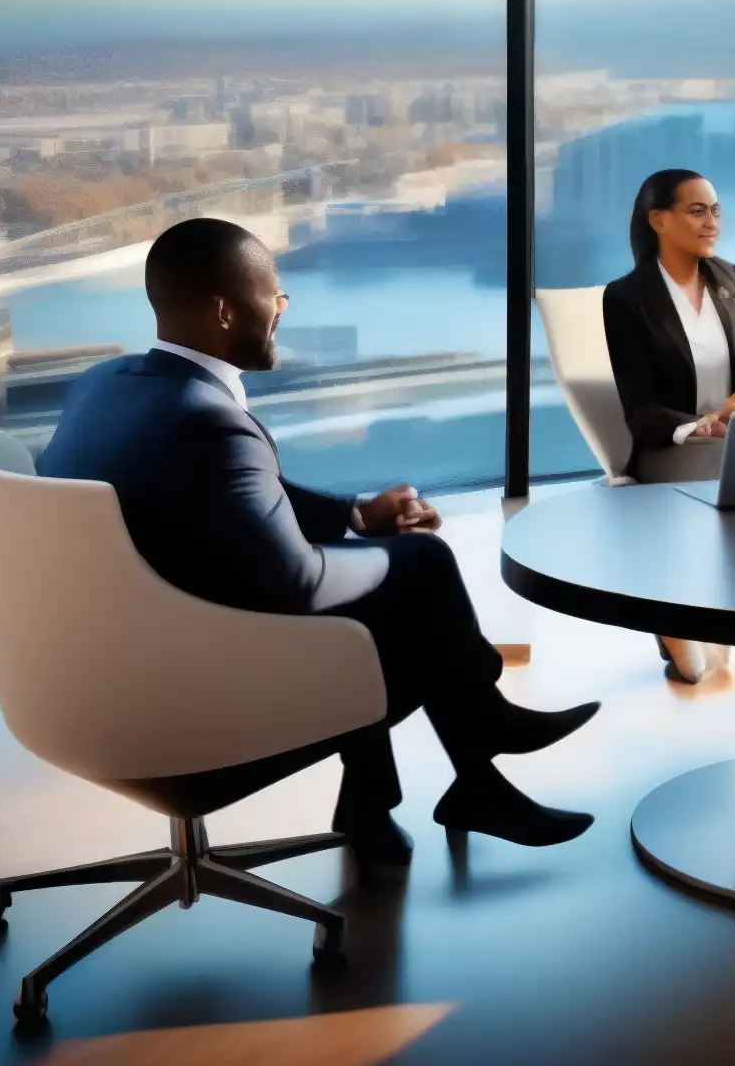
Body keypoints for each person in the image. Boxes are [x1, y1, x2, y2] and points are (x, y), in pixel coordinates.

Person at [39, 217, 599, 865]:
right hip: (187, 681)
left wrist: (358, 517)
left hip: (116, 649)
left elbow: (227, 494)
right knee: (416, 575)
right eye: (272, 294)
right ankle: (478, 729)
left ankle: (418, 789)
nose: (283, 307)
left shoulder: (108, 386)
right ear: (223, 310)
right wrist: (398, 562)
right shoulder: (210, 421)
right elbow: (297, 583)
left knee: (382, 599)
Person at [602, 167, 735, 684]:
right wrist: (699, 427)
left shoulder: (730, 279)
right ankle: (678, 617)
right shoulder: (627, 298)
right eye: (696, 210)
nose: (712, 222)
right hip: (672, 444)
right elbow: (640, 409)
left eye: (716, 210)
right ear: (658, 219)